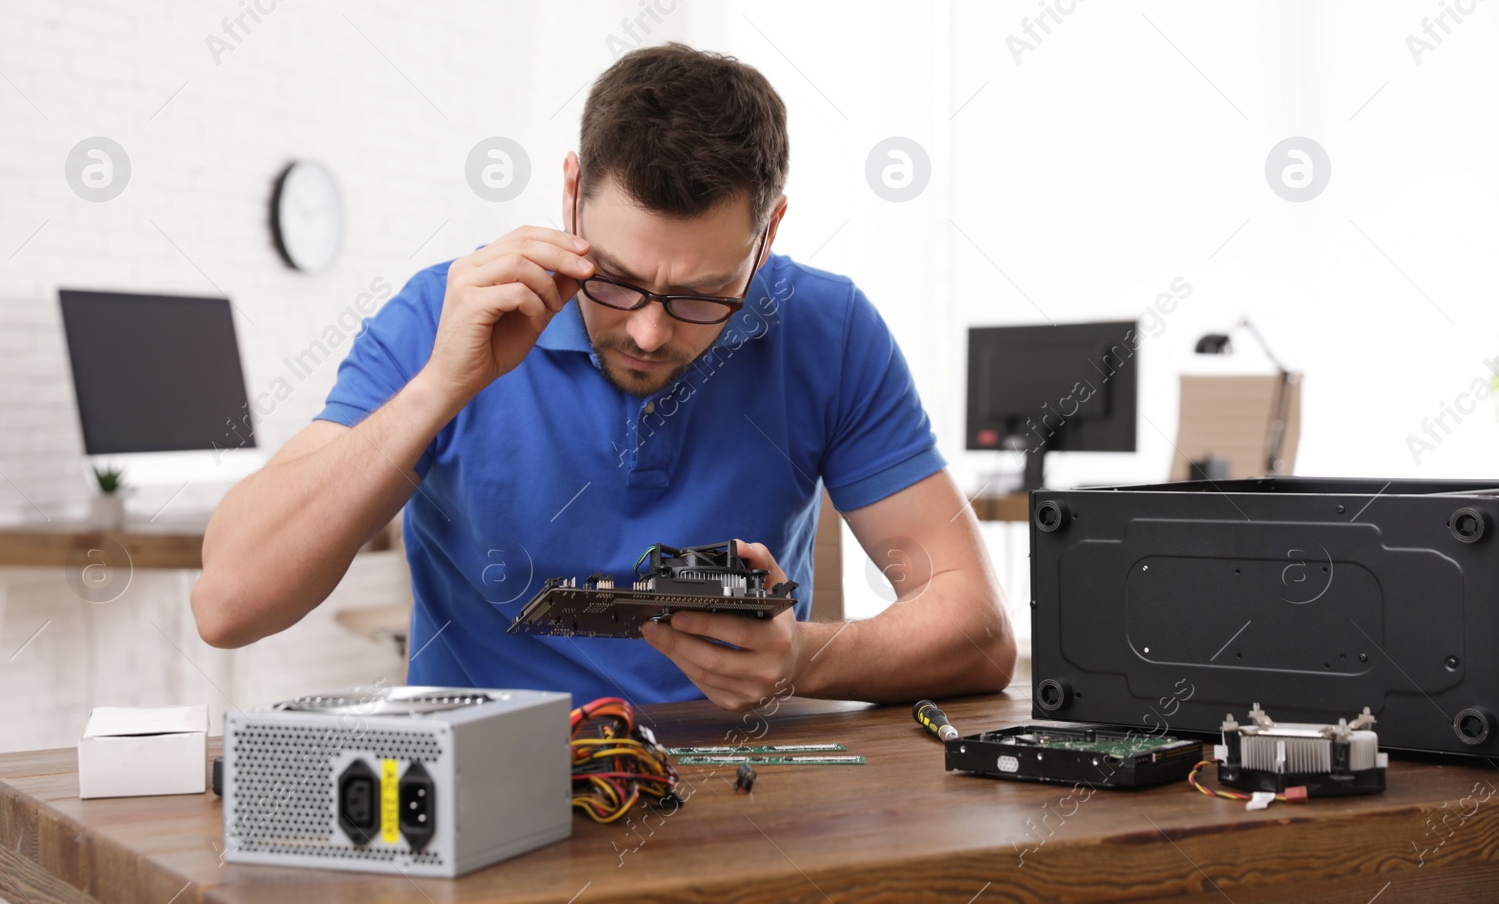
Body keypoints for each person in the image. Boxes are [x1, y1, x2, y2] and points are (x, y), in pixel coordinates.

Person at [192, 43, 1015, 711]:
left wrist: (803, 656)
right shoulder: (441, 316)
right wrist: (439, 388)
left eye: (701, 298)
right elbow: (228, 605)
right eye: (615, 280)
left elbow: (977, 630)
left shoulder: (828, 331)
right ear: (572, 194)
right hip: (492, 797)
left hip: (743, 799)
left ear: (768, 237)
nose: (649, 331)